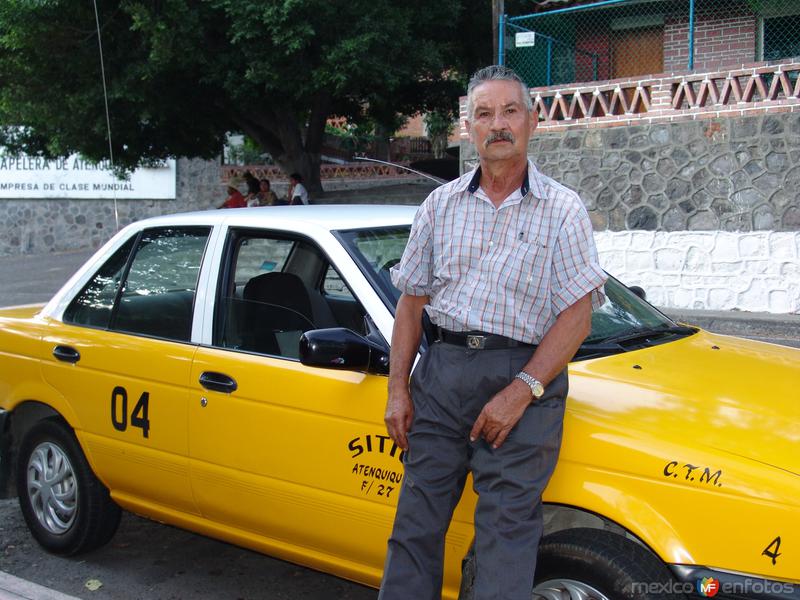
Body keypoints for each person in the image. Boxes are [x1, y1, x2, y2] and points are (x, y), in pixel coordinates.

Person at [379, 65, 607, 600]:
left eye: (509, 112)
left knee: (505, 536)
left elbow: (577, 316)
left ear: (532, 121)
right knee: (415, 525)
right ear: (468, 128)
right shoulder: (439, 206)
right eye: (484, 114)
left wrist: (522, 389)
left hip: (525, 378)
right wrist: (397, 388)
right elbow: (411, 306)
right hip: (443, 373)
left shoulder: (562, 210)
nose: (497, 124)